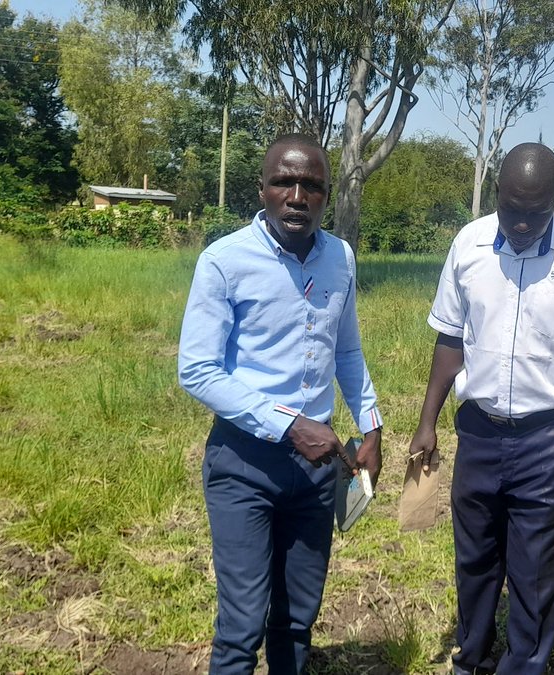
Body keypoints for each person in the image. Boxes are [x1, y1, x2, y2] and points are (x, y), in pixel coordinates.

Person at [408, 142, 554, 675]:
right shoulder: (468, 244)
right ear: (497, 196)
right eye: (511, 209)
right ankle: (471, 660)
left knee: (535, 574)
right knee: (475, 560)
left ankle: (523, 665)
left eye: (536, 213)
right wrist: (427, 421)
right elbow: (450, 338)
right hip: (479, 435)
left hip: (553, 439)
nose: (522, 224)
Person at [178, 133, 384, 675]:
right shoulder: (223, 261)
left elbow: (347, 348)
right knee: (242, 625)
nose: (297, 196)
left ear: (326, 194)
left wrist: (372, 425)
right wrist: (290, 426)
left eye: (312, 185)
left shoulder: (341, 258)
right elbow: (196, 368)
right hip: (244, 464)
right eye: (283, 182)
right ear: (263, 189)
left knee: (297, 618)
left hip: (316, 471)